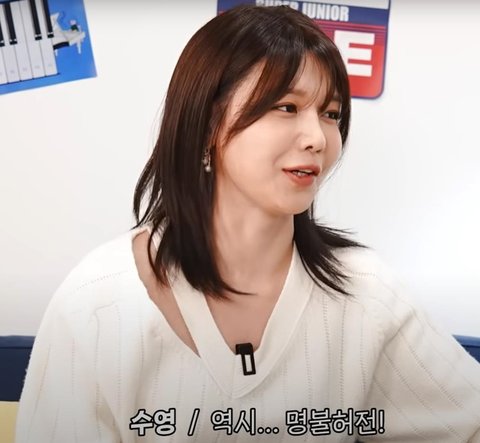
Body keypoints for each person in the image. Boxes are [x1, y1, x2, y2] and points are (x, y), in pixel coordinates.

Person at [15, 5, 480, 443]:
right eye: (286, 107)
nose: (318, 138)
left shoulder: (366, 291)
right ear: (207, 123)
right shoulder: (97, 303)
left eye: (331, 114)